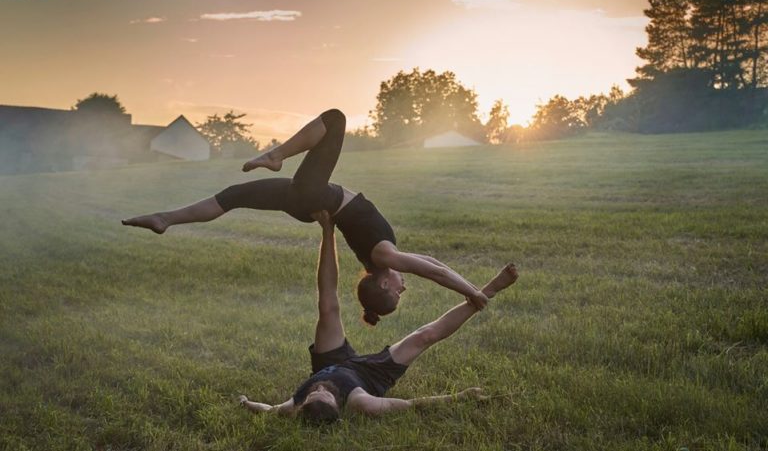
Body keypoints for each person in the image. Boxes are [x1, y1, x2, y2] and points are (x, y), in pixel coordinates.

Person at [122, 109, 488, 323]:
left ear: (382, 284)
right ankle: (165, 218)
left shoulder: (384, 257)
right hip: (306, 202)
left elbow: (435, 272)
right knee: (233, 196)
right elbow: (435, 263)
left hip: (312, 196)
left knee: (335, 118)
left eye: (397, 293)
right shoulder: (384, 254)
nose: (404, 286)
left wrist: (472, 293)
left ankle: (276, 154)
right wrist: (472, 290)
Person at [237, 211, 518, 422]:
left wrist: (247, 402)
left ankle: (327, 230)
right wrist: (461, 397)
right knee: (424, 337)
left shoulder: (293, 405)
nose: (320, 389)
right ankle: (488, 291)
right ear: (337, 405)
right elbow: (411, 405)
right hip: (368, 376)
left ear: (304, 401)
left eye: (315, 392)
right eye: (326, 395)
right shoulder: (361, 403)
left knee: (327, 305)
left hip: (331, 362)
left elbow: (266, 409)